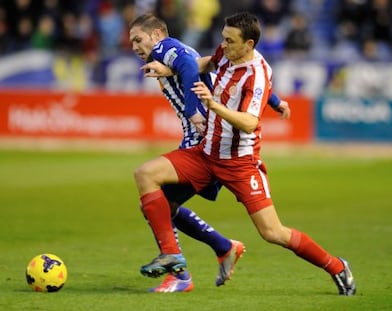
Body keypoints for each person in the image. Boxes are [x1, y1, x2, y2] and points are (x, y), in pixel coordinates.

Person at [134, 12, 356, 296]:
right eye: (223, 38)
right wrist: (171, 70)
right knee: (146, 175)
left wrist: (213, 106)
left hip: (240, 163)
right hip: (206, 154)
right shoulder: (227, 51)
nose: (223, 45)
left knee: (273, 233)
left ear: (249, 44)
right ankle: (174, 258)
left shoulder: (257, 74)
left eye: (230, 41)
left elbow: (251, 122)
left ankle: (336, 266)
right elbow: (205, 62)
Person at [129, 13, 290, 292]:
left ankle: (180, 274)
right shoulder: (177, 53)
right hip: (211, 138)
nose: (134, 47)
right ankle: (222, 247)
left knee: (155, 199)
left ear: (156, 35)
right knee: (160, 205)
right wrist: (275, 102)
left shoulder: (165, 48)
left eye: (138, 39)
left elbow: (191, 68)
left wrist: (193, 112)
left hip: (203, 139)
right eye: (131, 42)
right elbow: (222, 72)